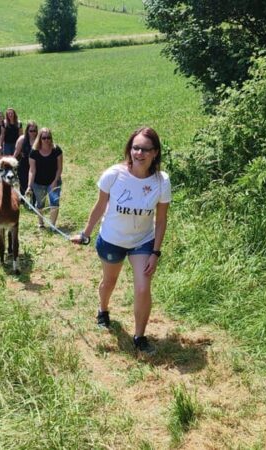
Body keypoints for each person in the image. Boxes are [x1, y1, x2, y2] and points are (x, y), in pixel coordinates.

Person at [71, 127, 171, 355]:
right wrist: (86, 233)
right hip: (112, 239)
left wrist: (155, 253)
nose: (139, 153)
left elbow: (161, 220)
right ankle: (103, 309)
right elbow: (99, 207)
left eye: (146, 149)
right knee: (109, 282)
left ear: (155, 152)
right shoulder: (114, 174)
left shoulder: (161, 181)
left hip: (142, 242)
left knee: (143, 287)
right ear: (130, 149)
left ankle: (139, 336)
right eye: (136, 147)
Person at [25, 127, 63, 228]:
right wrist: (29, 186)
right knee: (40, 204)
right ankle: (41, 223)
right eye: (44, 138)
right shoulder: (34, 152)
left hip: (54, 181)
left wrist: (55, 181)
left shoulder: (56, 150)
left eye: (48, 137)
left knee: (55, 203)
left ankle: (52, 225)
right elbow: (32, 170)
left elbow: (60, 168)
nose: (47, 140)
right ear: (40, 138)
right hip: (38, 183)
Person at [14, 120, 38, 199]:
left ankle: (34, 200)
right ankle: (24, 198)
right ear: (27, 130)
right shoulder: (22, 139)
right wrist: (11, 162)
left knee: (35, 183)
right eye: (31, 131)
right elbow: (16, 152)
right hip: (23, 165)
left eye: (34, 131)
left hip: (35, 165)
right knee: (23, 183)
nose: (33, 133)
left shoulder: (39, 140)